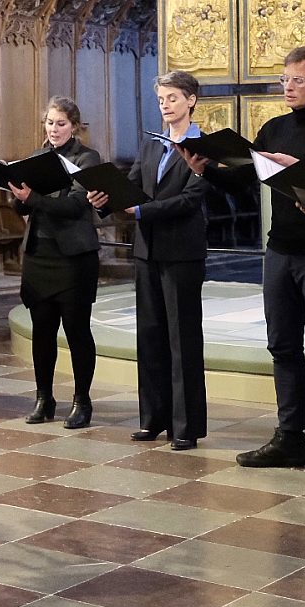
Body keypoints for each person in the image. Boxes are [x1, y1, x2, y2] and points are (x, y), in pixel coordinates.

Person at [181, 45, 305, 488]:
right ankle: (289, 439)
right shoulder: (273, 127)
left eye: (298, 80)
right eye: (284, 79)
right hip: (279, 250)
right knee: (281, 346)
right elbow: (245, 182)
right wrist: (206, 170)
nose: (288, 87)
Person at [87, 72, 209, 450]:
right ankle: (152, 418)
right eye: (160, 100)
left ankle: (185, 426)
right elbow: (133, 187)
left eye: (172, 98)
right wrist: (106, 200)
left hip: (181, 253)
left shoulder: (204, 146)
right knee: (150, 336)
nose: (165, 105)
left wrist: (141, 210)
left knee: (181, 339)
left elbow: (190, 199)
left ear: (190, 100)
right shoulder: (151, 145)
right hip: (147, 251)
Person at [8, 96, 102, 429]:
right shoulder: (37, 157)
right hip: (39, 254)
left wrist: (31, 198)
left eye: (61, 123)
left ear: (74, 126)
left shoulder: (87, 159)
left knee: (77, 332)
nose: (54, 129)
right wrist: (18, 199)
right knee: (43, 331)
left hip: (73, 257)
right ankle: (44, 398)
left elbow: (76, 205)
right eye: (49, 122)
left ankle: (82, 401)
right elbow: (22, 207)